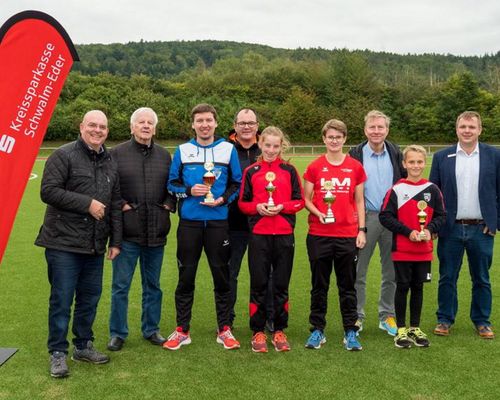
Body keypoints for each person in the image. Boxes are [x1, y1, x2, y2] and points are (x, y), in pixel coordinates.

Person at [35, 110, 122, 378]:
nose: (97, 130)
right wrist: (87, 204)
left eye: (103, 127)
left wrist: (115, 241)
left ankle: (83, 345)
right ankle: (58, 352)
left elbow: (116, 204)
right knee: (61, 300)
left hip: (95, 245)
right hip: (63, 243)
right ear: (81, 126)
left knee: (89, 299)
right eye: (92, 125)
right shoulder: (63, 155)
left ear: (107, 131)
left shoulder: (109, 161)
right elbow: (48, 191)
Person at [164, 103, 242, 350]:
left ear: (216, 123)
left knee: (222, 276)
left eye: (209, 120)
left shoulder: (228, 149)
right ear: (193, 124)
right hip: (190, 224)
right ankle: (182, 329)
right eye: (200, 121)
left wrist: (222, 199)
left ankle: (224, 328)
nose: (205, 125)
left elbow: (237, 184)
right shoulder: (183, 150)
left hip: (218, 222)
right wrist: (188, 190)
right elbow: (171, 184)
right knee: (186, 277)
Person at [107, 107, 176, 352]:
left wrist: (168, 204)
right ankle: (117, 333)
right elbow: (109, 189)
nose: (146, 126)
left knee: (153, 286)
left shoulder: (164, 155)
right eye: (141, 122)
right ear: (132, 127)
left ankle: (151, 329)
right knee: (120, 286)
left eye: (150, 123)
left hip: (157, 232)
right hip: (127, 234)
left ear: (155, 128)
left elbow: (173, 185)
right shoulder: (116, 154)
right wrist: (122, 205)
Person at [430, 111, 500, 339]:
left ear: (480, 129)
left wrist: (495, 222)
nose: (467, 130)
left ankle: (482, 321)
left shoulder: (494, 155)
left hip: (482, 229)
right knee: (447, 276)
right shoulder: (442, 157)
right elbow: (434, 193)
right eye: (463, 127)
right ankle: (444, 319)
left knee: (481, 278)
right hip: (450, 228)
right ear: (456, 129)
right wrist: (434, 225)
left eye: (472, 127)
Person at [239, 126, 304, 352]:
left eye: (276, 146)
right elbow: (242, 204)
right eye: (268, 145)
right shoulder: (251, 171)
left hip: (285, 235)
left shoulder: (289, 170)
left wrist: (282, 207)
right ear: (261, 144)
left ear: (281, 146)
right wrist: (257, 207)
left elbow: (299, 201)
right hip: (259, 236)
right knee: (258, 283)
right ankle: (257, 331)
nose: (271, 150)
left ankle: (278, 330)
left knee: (280, 285)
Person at [303, 119, 366, 351]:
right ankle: (317, 330)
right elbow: (306, 199)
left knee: (347, 286)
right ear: (324, 139)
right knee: (319, 285)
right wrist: (319, 213)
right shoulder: (314, 166)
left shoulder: (355, 167)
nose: (334, 140)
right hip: (319, 234)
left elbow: (359, 201)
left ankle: (350, 330)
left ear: (344, 139)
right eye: (330, 137)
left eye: (338, 137)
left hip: (347, 234)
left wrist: (361, 230)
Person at [379, 145, 446, 348]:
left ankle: (414, 327)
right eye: (411, 162)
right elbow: (385, 216)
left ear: (424, 163)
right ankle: (400, 329)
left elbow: (442, 215)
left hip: (423, 251)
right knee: (402, 287)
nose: (415, 166)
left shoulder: (433, 189)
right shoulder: (397, 189)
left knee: (418, 288)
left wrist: (429, 230)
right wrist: (408, 232)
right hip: (402, 250)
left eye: (419, 162)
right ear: (404, 164)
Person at [349, 110, 407, 336]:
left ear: (387, 130)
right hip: (365, 218)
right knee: (358, 271)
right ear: (365, 130)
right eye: (372, 127)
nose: (376, 131)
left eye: (380, 127)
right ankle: (356, 316)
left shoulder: (395, 152)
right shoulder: (355, 155)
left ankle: (387, 316)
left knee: (391, 271)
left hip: (392, 219)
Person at [227, 108, 274, 331]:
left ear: (257, 126)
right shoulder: (225, 150)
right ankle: (226, 319)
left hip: (263, 223)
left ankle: (270, 317)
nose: (247, 126)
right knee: (230, 273)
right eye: (242, 123)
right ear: (235, 126)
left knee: (267, 273)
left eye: (251, 123)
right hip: (233, 224)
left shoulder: (266, 150)